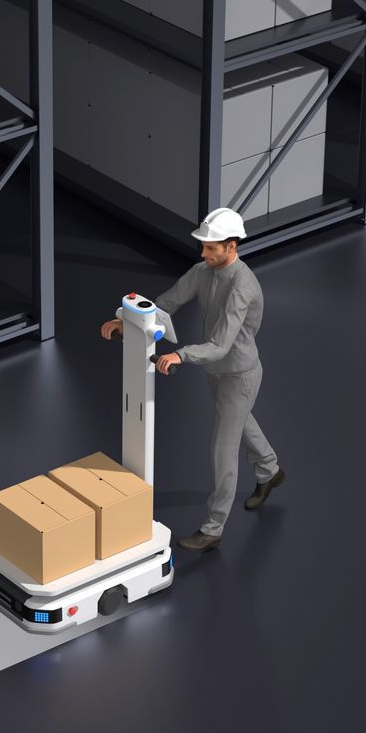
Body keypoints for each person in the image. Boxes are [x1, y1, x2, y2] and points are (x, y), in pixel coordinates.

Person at [99, 207, 283, 552]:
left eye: (211, 247)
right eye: (203, 246)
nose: (203, 253)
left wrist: (180, 355)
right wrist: (130, 321)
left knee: (221, 448)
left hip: (239, 374)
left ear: (231, 246)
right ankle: (270, 470)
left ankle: (213, 528)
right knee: (241, 423)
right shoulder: (203, 271)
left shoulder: (242, 287)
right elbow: (168, 301)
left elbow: (221, 344)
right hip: (217, 371)